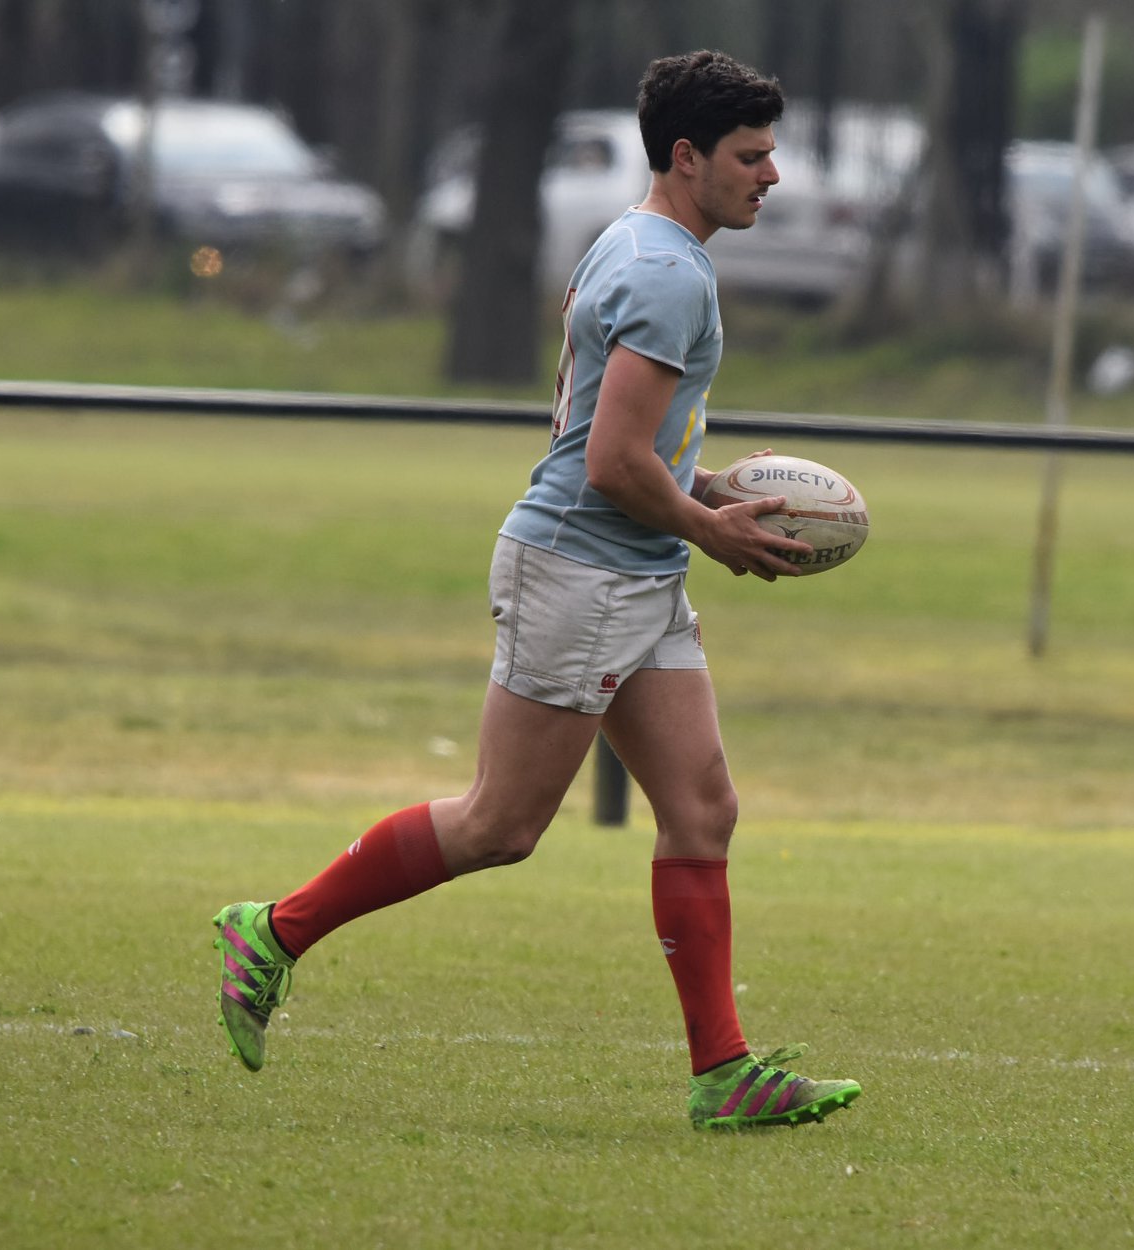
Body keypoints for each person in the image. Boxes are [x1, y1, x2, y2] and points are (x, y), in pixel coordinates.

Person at [209, 50, 861, 1132]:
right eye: (752, 157)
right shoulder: (667, 272)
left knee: (702, 809)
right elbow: (606, 463)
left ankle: (723, 1072)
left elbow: (613, 434)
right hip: (583, 569)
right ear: (688, 158)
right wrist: (711, 530)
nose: (773, 176)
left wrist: (699, 490)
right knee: (501, 823)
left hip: (633, 568)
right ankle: (273, 927)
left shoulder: (638, 238)